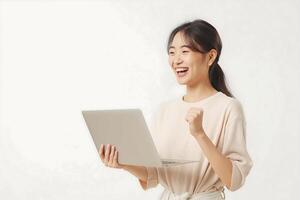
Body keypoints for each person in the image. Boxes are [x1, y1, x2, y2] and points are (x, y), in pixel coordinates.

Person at [99, 19, 253, 200]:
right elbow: (152, 175)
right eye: (172, 52)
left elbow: (233, 180)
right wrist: (122, 163)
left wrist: (200, 134)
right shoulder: (165, 111)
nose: (176, 60)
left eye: (185, 52)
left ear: (211, 57)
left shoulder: (228, 107)